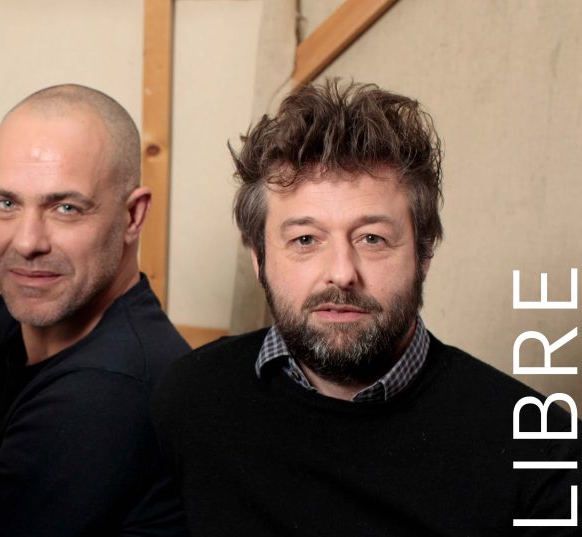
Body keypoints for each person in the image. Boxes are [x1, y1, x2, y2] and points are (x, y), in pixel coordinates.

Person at [152, 80, 581, 536]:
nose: (341, 273)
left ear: (424, 255)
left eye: (372, 238)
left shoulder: (544, 452)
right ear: (259, 260)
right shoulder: (190, 399)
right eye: (305, 239)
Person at [0, 84, 190, 536]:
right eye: (7, 203)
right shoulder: (1, 322)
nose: (27, 242)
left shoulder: (113, 387)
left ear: (133, 216)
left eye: (65, 208)